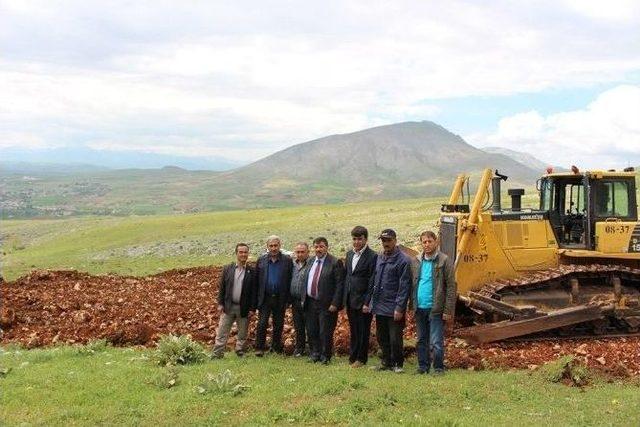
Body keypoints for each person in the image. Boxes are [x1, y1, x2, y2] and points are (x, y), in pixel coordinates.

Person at [364, 229, 412, 373]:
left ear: (395, 241)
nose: (386, 243)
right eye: (383, 241)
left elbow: (404, 286)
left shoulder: (404, 260)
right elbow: (375, 280)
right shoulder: (380, 257)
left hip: (394, 306)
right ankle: (386, 362)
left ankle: (398, 364)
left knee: (395, 338)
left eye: (389, 240)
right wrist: (370, 301)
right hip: (380, 304)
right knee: (381, 336)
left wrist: (400, 308)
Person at [412, 230, 456, 375]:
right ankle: (423, 366)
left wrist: (448, 310)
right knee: (421, 340)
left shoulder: (444, 261)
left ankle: (438, 367)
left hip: (435, 308)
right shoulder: (417, 261)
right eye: (424, 242)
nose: (427, 244)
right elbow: (413, 283)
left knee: (436, 342)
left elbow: (451, 287)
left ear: (436, 242)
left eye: (430, 241)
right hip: (420, 307)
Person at [301, 237, 344, 364]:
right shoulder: (310, 261)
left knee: (325, 331)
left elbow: (339, 285)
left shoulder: (335, 262)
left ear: (327, 247)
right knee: (312, 329)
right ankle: (315, 353)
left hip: (326, 304)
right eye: (316, 247)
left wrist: (335, 303)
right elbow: (306, 280)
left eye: (321, 246)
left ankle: (326, 356)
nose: (318, 249)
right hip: (310, 302)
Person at [212, 243, 257, 358]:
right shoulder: (228, 269)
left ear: (248, 254)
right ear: (236, 253)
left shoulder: (252, 271)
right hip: (228, 306)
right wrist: (220, 303)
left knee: (242, 332)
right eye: (240, 252)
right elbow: (222, 287)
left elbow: (254, 292)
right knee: (222, 331)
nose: (243, 254)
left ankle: (240, 351)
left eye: (245, 252)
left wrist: (252, 308)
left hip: (244, 308)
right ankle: (217, 353)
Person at [343, 226, 377, 367]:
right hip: (351, 299)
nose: (356, 242)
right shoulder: (350, 254)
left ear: (365, 239)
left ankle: (361, 359)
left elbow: (372, 280)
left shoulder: (372, 256)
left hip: (363, 300)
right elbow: (348, 277)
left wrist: (367, 302)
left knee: (363, 331)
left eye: (359, 239)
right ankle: (353, 356)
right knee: (354, 329)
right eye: (354, 239)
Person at [255, 235, 293, 356]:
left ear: (280, 246)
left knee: (278, 324)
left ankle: (276, 347)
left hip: (280, 298)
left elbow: (290, 279)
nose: (273, 248)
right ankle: (259, 348)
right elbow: (256, 280)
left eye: (275, 245)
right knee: (262, 323)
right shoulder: (261, 260)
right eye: (271, 246)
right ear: (267, 247)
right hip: (265, 298)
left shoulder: (287, 260)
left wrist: (288, 299)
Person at [289, 241, 311, 357]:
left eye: (303, 252)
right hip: (295, 301)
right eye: (298, 252)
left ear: (308, 252)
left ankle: (312, 348)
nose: (300, 254)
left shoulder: (312, 264)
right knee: (298, 326)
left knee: (310, 326)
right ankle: (299, 348)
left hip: (308, 301)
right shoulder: (292, 265)